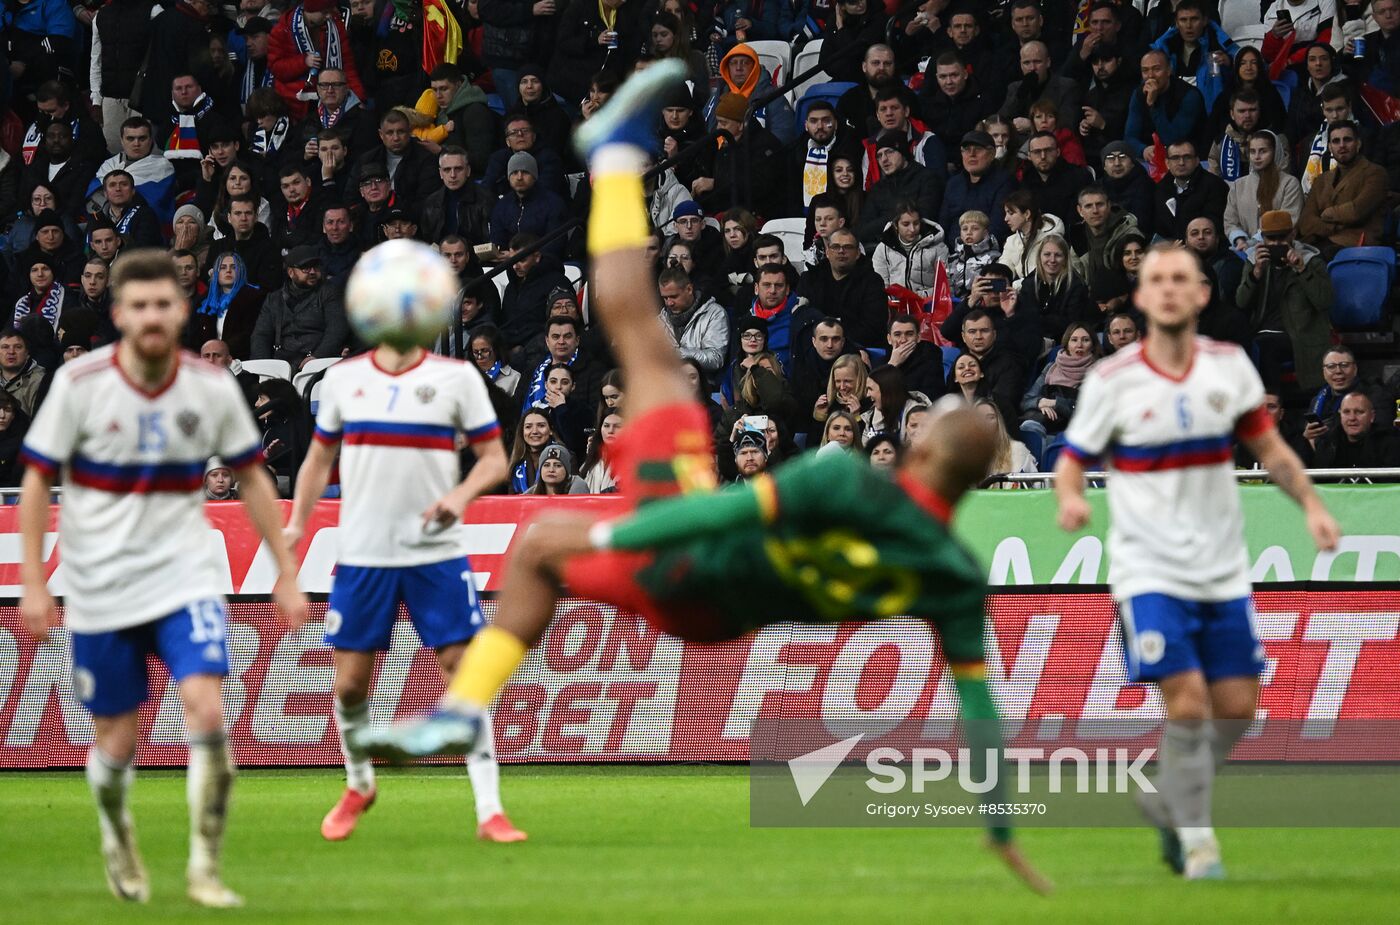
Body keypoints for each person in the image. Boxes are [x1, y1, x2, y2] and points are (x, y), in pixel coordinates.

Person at [353, 65, 1053, 894]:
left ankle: (612, 159)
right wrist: (1003, 827)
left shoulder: (848, 484)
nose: (919, 417)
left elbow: (714, 516)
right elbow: (980, 712)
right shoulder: (955, 577)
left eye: (929, 419)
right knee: (642, 361)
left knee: (616, 371)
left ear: (928, 453)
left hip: (681, 556)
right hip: (711, 614)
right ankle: (460, 714)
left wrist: (609, 529)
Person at [17, 250, 307, 907]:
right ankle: (118, 834)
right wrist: (36, 580)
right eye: (138, 306)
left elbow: (254, 479)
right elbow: (37, 481)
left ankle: (204, 868)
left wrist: (286, 571)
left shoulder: (208, 386)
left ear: (182, 310)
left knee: (206, 711)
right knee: (116, 742)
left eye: (163, 304)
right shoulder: (81, 384)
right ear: (119, 314)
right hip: (100, 587)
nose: (151, 316)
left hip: (185, 577)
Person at [1054, 241, 1340, 882]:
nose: (1171, 289)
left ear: (1203, 293)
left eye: (1183, 278)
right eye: (1158, 279)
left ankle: (1169, 796)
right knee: (1186, 704)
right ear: (1141, 294)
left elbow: (1271, 449)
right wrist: (1070, 498)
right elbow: (1072, 456)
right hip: (1147, 568)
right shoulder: (1112, 378)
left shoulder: (1229, 367)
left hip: (1221, 569)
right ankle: (1198, 836)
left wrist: (1313, 507)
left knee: (1237, 707)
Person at [284, 247, 523, 843]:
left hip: (434, 552)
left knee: (461, 673)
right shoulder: (343, 379)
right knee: (348, 684)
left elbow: (495, 460)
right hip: (364, 553)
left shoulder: (456, 378)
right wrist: (297, 521)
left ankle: (489, 808)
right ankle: (360, 782)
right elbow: (318, 459)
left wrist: (459, 497)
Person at [1236, 210, 1335, 394]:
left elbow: (1324, 300)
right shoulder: (1254, 261)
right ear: (1262, 238)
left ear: (1293, 234)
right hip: (1261, 330)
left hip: (1300, 332)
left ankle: (1272, 406)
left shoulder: (1310, 260)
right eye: (1270, 239)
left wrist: (1301, 269)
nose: (1276, 244)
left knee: (1266, 348)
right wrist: (1256, 274)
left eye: (1281, 238)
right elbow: (1241, 302)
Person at [1296, 120, 1388, 259]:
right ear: (1330, 147)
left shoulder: (1375, 173)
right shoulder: (1321, 180)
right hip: (1320, 244)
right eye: (1336, 141)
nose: (1342, 145)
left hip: (1356, 246)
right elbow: (1305, 223)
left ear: (1358, 144)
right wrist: (1333, 227)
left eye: (1347, 140)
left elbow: (1356, 211)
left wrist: (1327, 214)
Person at [250, 246, 349, 367]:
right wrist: (264, 366)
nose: (313, 272)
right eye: (306, 268)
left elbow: (336, 330)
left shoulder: (329, 292)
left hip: (318, 363)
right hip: (282, 363)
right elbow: (261, 335)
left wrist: (317, 357)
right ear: (291, 272)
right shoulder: (274, 299)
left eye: (316, 267)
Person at [1018, 322, 1100, 462]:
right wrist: (1040, 402)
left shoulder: (1099, 371)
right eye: (1074, 340)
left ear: (1092, 344)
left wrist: (1055, 403)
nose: (1079, 345)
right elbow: (1026, 400)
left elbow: (1090, 411)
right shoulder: (1051, 367)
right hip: (1046, 426)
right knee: (1030, 429)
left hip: (1076, 431)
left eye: (1085, 340)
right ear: (1067, 343)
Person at [1223, 131, 1304, 251]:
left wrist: (1254, 242)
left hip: (1279, 248)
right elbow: (1230, 221)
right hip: (1242, 249)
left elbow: (1289, 220)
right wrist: (1240, 240)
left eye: (1263, 151)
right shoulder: (1238, 185)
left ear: (1275, 152)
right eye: (1252, 151)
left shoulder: (1289, 183)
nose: (1256, 157)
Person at [1303, 392, 1400, 469]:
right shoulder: (1329, 442)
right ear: (1340, 415)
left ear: (1372, 416)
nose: (1352, 418)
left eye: (1359, 412)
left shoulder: (1390, 442)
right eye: (1346, 412)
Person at [998, 190, 1064, 283]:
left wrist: (1013, 287)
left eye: (1011, 213)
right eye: (1006, 213)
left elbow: (1042, 278)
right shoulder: (1011, 241)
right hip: (1022, 292)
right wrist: (994, 285)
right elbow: (1003, 270)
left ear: (1027, 214)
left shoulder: (1050, 239)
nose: (1006, 219)